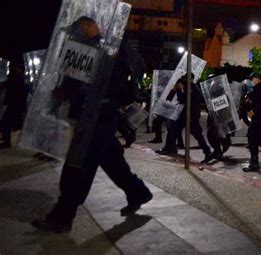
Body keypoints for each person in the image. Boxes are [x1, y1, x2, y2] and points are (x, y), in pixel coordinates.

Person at [32, 17, 152, 233]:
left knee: (78, 165)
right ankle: (138, 192)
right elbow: (75, 80)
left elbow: (127, 73)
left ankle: (62, 216)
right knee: (113, 162)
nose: (77, 32)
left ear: (92, 26)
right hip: (91, 115)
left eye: (81, 27)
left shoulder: (113, 48)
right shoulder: (83, 48)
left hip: (99, 115)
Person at [157, 76, 213, 163]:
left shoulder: (192, 88)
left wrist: (179, 90)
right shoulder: (190, 87)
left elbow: (182, 99)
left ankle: (207, 152)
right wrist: (176, 90)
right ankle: (169, 148)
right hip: (187, 115)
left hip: (190, 116)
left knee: (196, 134)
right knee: (173, 130)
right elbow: (172, 98)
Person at [0, 62, 28, 148]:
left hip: (14, 104)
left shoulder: (16, 78)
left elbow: (7, 85)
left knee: (6, 122)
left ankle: (6, 141)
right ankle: (6, 139)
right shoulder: (17, 78)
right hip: (15, 104)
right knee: (6, 122)